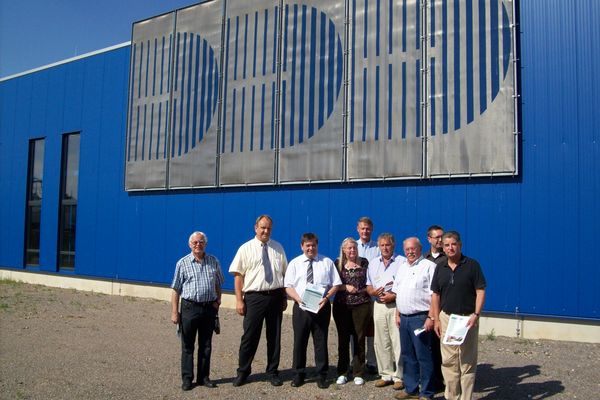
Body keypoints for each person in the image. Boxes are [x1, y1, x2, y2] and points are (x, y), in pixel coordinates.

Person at [229, 215, 288, 387]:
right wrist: (239, 300)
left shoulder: (278, 248)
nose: (266, 231)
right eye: (262, 227)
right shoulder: (245, 248)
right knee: (250, 336)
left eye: (269, 228)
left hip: (275, 296)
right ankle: (243, 372)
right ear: (255, 228)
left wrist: (284, 296)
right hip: (254, 298)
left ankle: (273, 371)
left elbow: (283, 275)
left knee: (274, 336)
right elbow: (238, 276)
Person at [430, 231, 486, 400]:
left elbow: (480, 291)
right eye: (446, 245)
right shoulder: (440, 267)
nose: (450, 248)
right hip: (447, 318)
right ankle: (452, 396)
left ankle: (466, 397)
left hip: (467, 319)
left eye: (453, 244)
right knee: (449, 360)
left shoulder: (472, 265)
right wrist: (436, 319)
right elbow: (435, 295)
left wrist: (476, 314)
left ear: (460, 245)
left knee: (467, 361)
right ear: (443, 247)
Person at [284, 233, 341, 389]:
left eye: (313, 245)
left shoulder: (327, 262)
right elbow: (288, 286)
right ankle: (298, 374)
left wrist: (327, 297)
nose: (311, 248)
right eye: (307, 245)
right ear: (302, 246)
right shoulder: (294, 263)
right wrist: (298, 299)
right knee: (299, 341)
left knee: (321, 341)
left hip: (321, 307)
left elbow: (336, 284)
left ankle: (322, 375)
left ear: (317, 245)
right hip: (301, 307)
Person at [171, 231, 224, 391]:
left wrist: (217, 302)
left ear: (205, 244)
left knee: (206, 345)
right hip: (189, 308)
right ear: (189, 244)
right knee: (187, 345)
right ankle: (187, 379)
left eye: (201, 242)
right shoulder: (182, 263)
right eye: (195, 242)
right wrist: (174, 312)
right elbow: (175, 289)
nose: (198, 245)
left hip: (208, 308)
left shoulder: (213, 261)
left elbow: (218, 283)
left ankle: (204, 377)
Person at [392, 237, 437, 400]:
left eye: (413, 249)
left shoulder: (429, 267)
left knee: (423, 355)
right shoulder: (402, 267)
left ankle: (427, 392)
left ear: (420, 249)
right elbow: (398, 293)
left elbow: (434, 295)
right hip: (404, 318)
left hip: (420, 318)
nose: (410, 252)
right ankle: (411, 389)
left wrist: (431, 317)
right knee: (407, 354)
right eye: (407, 249)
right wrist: (397, 314)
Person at [366, 233, 406, 390]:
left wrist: (394, 295)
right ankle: (385, 374)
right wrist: (373, 292)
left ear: (393, 245)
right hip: (379, 306)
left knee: (398, 341)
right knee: (381, 341)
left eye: (387, 245)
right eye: (382, 245)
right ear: (378, 247)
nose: (385, 248)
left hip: (396, 306)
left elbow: (405, 285)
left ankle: (399, 376)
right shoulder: (373, 263)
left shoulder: (402, 262)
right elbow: (368, 285)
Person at [332, 237, 372, 386]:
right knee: (343, 339)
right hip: (342, 306)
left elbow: (371, 280)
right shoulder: (337, 264)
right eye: (349, 248)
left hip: (362, 305)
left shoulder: (364, 262)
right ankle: (342, 371)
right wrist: (345, 287)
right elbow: (332, 283)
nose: (352, 251)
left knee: (359, 338)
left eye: (354, 248)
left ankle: (358, 372)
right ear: (343, 250)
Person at [356, 216, 380, 374]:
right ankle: (357, 361)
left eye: (368, 229)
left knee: (372, 330)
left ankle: (372, 361)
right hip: (356, 296)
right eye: (363, 228)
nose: (365, 231)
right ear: (358, 229)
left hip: (372, 296)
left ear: (372, 230)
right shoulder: (352, 246)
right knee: (356, 331)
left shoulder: (377, 248)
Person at [423, 225, 446, 390]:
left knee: (442, 347)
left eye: (441, 237)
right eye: (436, 237)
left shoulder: (448, 258)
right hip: (426, 309)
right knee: (428, 347)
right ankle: (430, 379)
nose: (440, 240)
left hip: (443, 308)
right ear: (429, 239)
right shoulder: (424, 259)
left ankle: (443, 379)